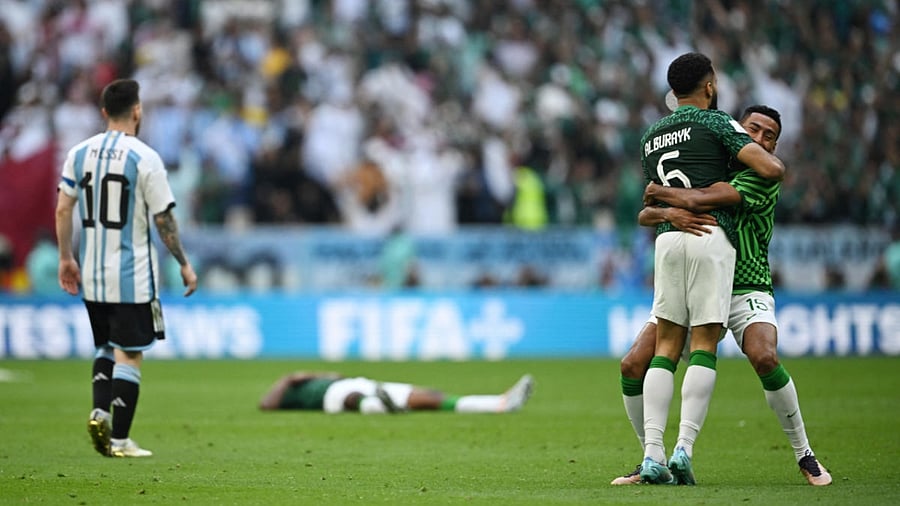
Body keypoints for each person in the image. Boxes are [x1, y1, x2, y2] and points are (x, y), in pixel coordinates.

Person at [611, 105, 831, 486]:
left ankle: (804, 454)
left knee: (765, 356)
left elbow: (698, 200)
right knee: (632, 364)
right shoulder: (714, 163)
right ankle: (653, 457)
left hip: (744, 282)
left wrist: (664, 196)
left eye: (770, 137)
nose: (761, 140)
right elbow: (645, 216)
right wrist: (668, 214)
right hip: (695, 278)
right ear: (738, 133)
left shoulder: (761, 177)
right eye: (754, 131)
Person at [637, 52, 785, 485]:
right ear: (709, 86)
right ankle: (683, 448)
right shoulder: (717, 122)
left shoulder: (651, 135)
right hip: (709, 236)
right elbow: (770, 168)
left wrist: (670, 208)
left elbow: (649, 205)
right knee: (703, 345)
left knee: (665, 348)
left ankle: (651, 455)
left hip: (666, 241)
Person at [56, 78, 198, 458]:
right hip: (131, 275)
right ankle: (118, 441)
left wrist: (66, 258)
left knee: (105, 345)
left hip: (92, 274)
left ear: (104, 112)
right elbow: (163, 219)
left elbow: (63, 208)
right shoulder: (145, 157)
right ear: (137, 110)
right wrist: (184, 263)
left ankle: (99, 412)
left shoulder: (79, 153)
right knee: (130, 353)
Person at [259, 372, 534, 414]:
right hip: (333, 395)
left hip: (364, 382)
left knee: (431, 397)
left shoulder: (318, 377)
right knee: (351, 397)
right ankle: (375, 406)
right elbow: (265, 405)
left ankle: (499, 403)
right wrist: (287, 379)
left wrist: (323, 373)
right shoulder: (293, 391)